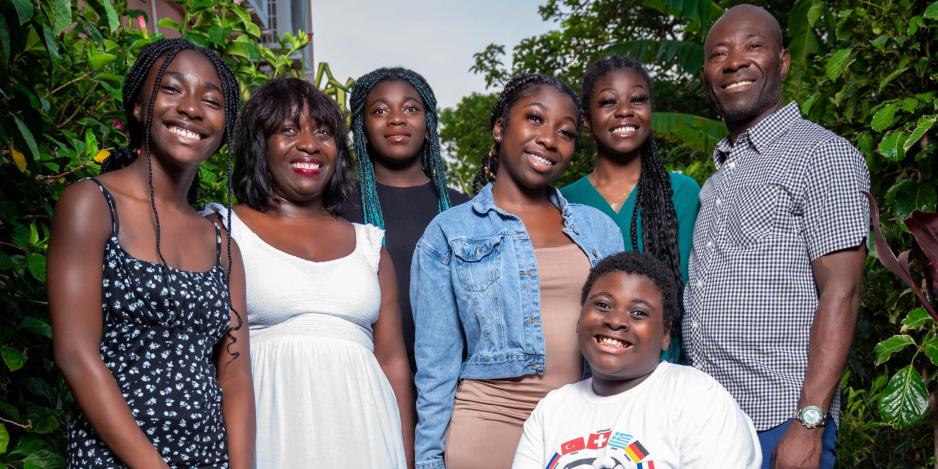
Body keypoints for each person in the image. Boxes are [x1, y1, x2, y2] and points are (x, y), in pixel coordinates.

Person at [47, 38, 254, 468]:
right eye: (172, 89)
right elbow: (75, 354)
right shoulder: (91, 205)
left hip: (207, 458)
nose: (192, 109)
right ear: (139, 106)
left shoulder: (223, 245)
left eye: (211, 100)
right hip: (116, 459)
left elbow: (234, 377)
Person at [683, 5, 870, 468]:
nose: (733, 63)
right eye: (718, 54)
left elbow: (842, 293)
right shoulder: (720, 176)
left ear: (783, 62)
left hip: (779, 420)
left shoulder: (821, 154)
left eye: (753, 46)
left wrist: (808, 423)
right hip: (706, 421)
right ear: (707, 74)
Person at [411, 73, 624, 469]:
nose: (549, 139)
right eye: (535, 119)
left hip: (580, 427)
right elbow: (435, 365)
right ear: (499, 128)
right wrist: (428, 459)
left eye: (566, 131)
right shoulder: (450, 232)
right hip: (489, 426)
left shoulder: (599, 229)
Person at [205, 77, 414, 468]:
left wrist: (407, 459)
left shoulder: (369, 247)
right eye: (288, 130)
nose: (309, 144)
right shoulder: (223, 231)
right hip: (270, 433)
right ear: (259, 144)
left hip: (368, 436)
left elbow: (394, 365)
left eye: (323, 132)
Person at [513, 252, 761, 469]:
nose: (616, 320)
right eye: (602, 305)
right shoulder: (551, 410)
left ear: (665, 335)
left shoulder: (696, 397)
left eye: (639, 313)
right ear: (579, 320)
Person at [561, 56, 700, 362]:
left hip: (664, 378)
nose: (625, 110)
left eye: (637, 99)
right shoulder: (563, 202)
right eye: (608, 101)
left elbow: (694, 298)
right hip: (588, 377)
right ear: (586, 119)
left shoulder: (682, 193)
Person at [342, 67, 469, 373]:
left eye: (411, 108)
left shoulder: (464, 209)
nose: (397, 118)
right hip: (364, 376)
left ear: (428, 126)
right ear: (362, 129)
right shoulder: (338, 207)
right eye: (380, 110)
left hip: (452, 381)